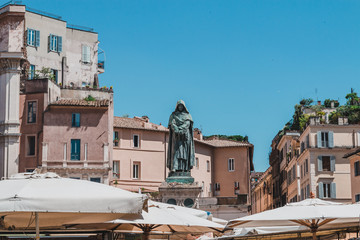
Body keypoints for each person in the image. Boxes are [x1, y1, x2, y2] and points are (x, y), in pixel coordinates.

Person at [167, 100, 195, 173]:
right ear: (177, 106)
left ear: (184, 107)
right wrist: (176, 129)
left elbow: (187, 123)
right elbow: (172, 123)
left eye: (181, 106)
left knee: (185, 152)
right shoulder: (173, 115)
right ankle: (174, 167)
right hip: (176, 136)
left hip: (185, 136)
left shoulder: (188, 116)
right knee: (175, 151)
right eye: (179, 106)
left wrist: (181, 129)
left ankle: (185, 168)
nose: (180, 107)